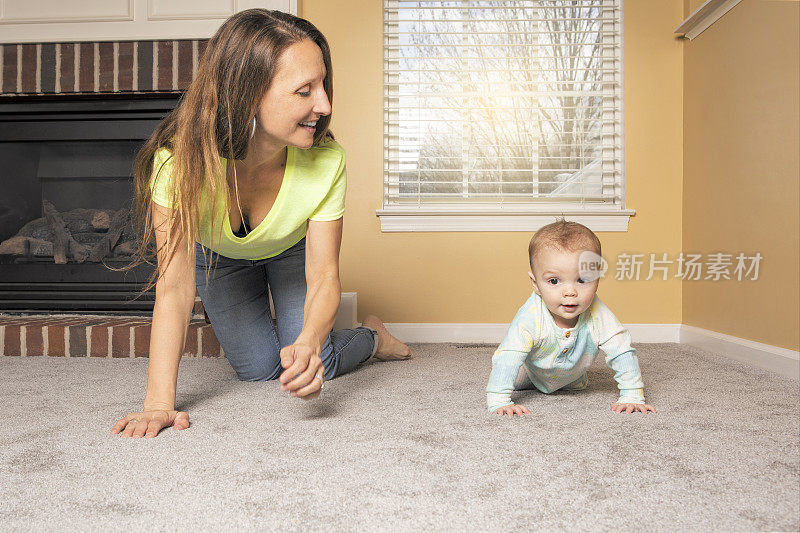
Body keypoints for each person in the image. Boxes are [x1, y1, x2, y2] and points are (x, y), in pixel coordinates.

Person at [111, 9, 410, 439]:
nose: (324, 106)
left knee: (311, 352)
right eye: (304, 91)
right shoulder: (177, 165)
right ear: (247, 95)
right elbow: (174, 288)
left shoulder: (326, 162)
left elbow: (324, 274)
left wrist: (309, 341)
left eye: (323, 85)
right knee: (260, 371)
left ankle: (371, 338)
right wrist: (158, 405)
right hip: (221, 259)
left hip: (291, 252)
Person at [485, 220, 656, 416]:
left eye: (582, 280)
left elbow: (622, 351)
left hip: (573, 378)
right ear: (535, 284)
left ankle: (569, 380)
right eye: (554, 281)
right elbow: (509, 355)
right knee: (512, 376)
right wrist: (499, 400)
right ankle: (523, 381)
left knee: (576, 382)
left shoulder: (598, 313)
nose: (570, 292)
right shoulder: (531, 315)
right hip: (532, 373)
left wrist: (632, 396)